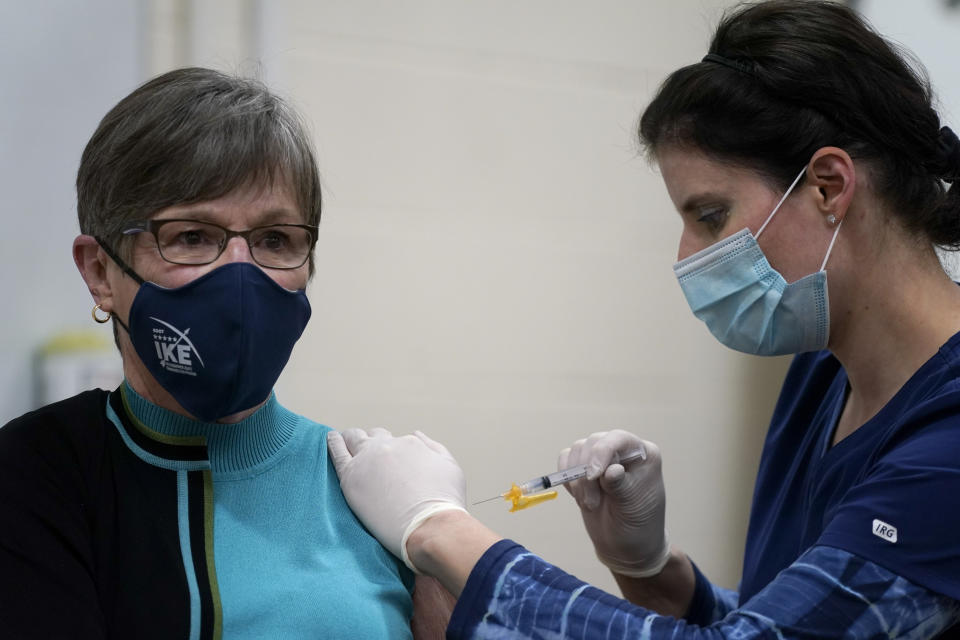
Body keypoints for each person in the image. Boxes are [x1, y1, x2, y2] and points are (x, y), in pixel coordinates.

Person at [326, 1, 960, 638]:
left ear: (828, 185)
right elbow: (785, 615)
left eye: (709, 215)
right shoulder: (822, 375)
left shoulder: (949, 433)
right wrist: (650, 567)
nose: (687, 256)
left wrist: (439, 528)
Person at [0, 67, 452, 638]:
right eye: (192, 236)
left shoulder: (377, 492)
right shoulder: (39, 472)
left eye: (274, 240)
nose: (240, 274)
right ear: (100, 271)